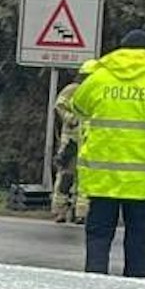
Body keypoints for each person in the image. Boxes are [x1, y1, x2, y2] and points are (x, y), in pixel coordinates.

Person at [68, 29, 145, 277]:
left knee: (98, 236)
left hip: (103, 179)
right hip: (144, 182)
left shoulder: (100, 78)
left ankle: (93, 288)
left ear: (120, 50)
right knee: (138, 240)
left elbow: (77, 106)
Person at [51, 66, 92, 225]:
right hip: (71, 141)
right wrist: (71, 119)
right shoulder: (72, 89)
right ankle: (60, 210)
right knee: (65, 176)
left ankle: (81, 212)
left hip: (89, 142)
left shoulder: (97, 91)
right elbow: (60, 105)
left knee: (85, 178)